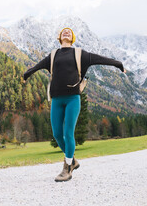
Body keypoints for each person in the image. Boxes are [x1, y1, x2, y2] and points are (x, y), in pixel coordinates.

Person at [23, 27, 126, 182]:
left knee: (68, 133)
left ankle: (67, 168)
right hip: (57, 99)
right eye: (63, 31)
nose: (66, 32)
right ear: (59, 37)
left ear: (72, 38)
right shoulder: (53, 55)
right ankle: (73, 160)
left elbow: (100, 59)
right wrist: (26, 75)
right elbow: (37, 66)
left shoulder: (79, 54)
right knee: (57, 134)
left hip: (73, 99)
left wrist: (118, 64)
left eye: (69, 32)